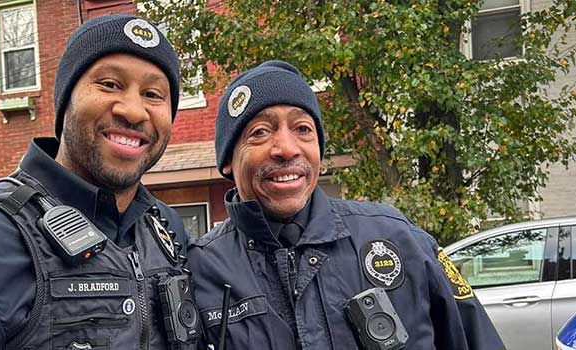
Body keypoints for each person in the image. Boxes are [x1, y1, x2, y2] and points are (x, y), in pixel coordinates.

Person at [0, 14, 195, 350]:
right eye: (109, 84)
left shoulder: (166, 231)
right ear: (66, 100)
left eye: (154, 94)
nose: (133, 111)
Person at [187, 60, 504, 350]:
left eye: (303, 129)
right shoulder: (200, 270)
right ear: (228, 159)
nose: (286, 148)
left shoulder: (399, 238)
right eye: (260, 132)